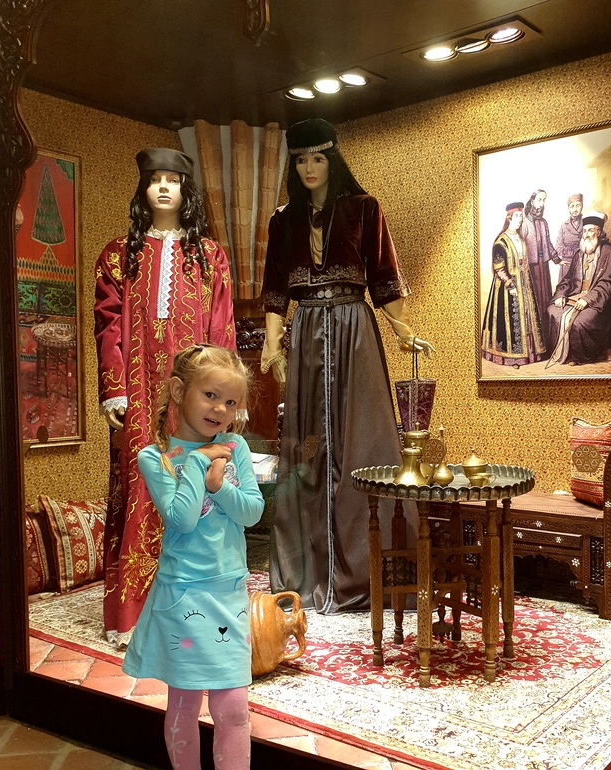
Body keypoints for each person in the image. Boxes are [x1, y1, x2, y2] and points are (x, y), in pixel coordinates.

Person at [260, 118, 434, 614]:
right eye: (300, 160)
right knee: (309, 448)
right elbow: (275, 287)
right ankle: (310, 570)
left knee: (364, 441)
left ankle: (367, 568)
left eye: (318, 157)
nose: (309, 168)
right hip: (307, 334)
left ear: (333, 159)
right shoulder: (283, 221)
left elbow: (383, 276)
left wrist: (403, 331)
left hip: (355, 329)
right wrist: (273, 345)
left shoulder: (364, 209)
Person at [94, 148, 236, 647]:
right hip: (138, 391)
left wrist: (225, 399)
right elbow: (109, 325)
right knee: (144, 483)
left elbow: (221, 326)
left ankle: (193, 611)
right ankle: (133, 615)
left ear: (185, 190)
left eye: (172, 180)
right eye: (154, 179)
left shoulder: (209, 255)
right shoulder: (119, 254)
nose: (162, 188)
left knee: (192, 484)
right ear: (143, 189)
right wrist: (114, 388)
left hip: (193, 396)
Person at [123, 343, 263, 770]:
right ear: (179, 391)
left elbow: (252, 512)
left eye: (231, 402)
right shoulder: (157, 457)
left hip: (228, 593)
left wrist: (220, 487)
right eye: (211, 395)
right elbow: (181, 520)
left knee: (233, 707)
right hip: (182, 596)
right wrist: (200, 466)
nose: (220, 409)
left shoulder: (235, 446)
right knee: (183, 702)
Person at [546, 211, 611, 367]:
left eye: (591, 230)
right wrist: (561, 295)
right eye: (585, 231)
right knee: (553, 311)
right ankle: (560, 353)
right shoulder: (579, 253)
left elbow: (608, 284)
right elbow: (567, 279)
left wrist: (588, 299)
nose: (587, 234)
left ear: (599, 232)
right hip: (576, 296)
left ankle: (578, 356)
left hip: (601, 302)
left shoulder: (610, 252)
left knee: (580, 320)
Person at [480, 202, 546, 368]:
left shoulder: (521, 239)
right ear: (509, 218)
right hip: (506, 288)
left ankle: (530, 355)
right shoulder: (501, 242)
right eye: (516, 216)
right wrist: (510, 286)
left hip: (525, 284)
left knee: (528, 318)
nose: (519, 220)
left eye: (521, 216)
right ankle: (512, 358)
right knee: (509, 319)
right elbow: (499, 268)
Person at [521, 189, 559, 347]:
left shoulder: (544, 222)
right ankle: (534, 344)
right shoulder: (524, 222)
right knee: (533, 302)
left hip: (544, 267)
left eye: (544, 200)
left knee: (545, 301)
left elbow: (548, 243)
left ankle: (546, 342)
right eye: (539, 199)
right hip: (531, 268)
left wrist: (557, 259)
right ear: (532, 201)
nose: (542, 203)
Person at [554, 193, 584, 283]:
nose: (575, 209)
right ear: (568, 208)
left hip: (583, 264)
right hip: (567, 266)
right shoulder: (563, 226)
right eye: (572, 206)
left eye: (578, 205)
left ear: (582, 206)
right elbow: (558, 248)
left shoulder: (587, 223)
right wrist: (577, 251)